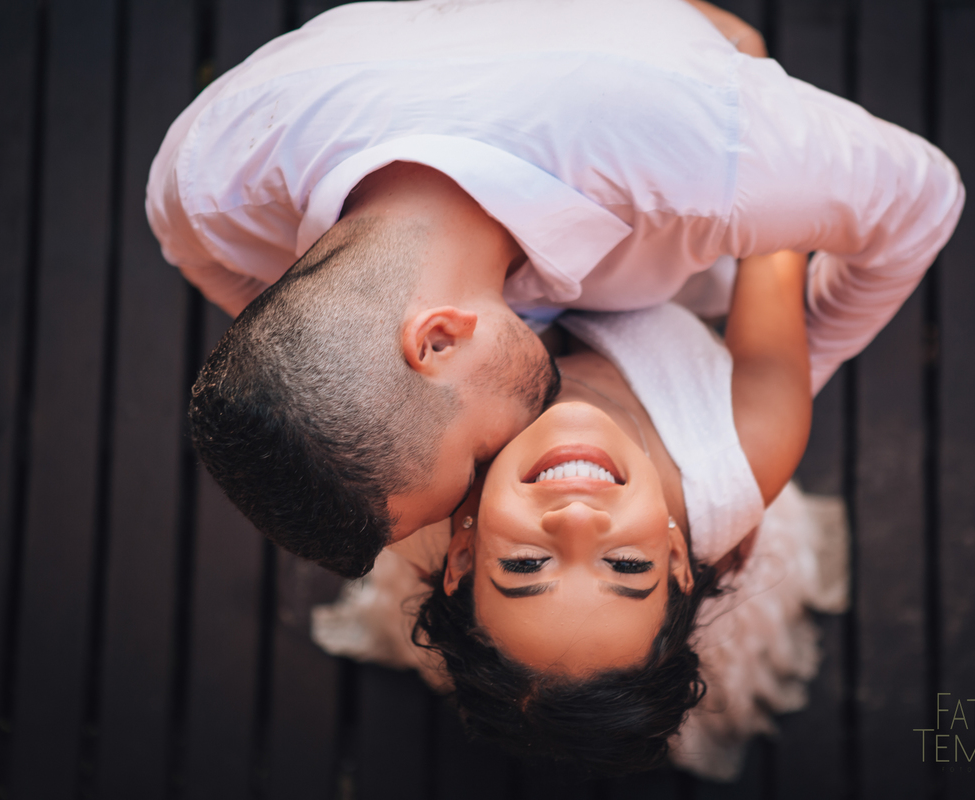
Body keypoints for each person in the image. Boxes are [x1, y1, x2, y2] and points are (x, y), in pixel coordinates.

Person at [148, 0, 963, 578]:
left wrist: (789, 376)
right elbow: (232, 282)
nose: (488, 480)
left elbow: (926, 200)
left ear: (438, 339)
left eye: (470, 463)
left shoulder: (714, 155)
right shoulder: (203, 179)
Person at [313, 251, 848, 776]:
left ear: (461, 555)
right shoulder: (749, 444)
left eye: (524, 564)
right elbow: (776, 244)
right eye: (626, 565)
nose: (577, 520)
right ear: (678, 553)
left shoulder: (402, 494)